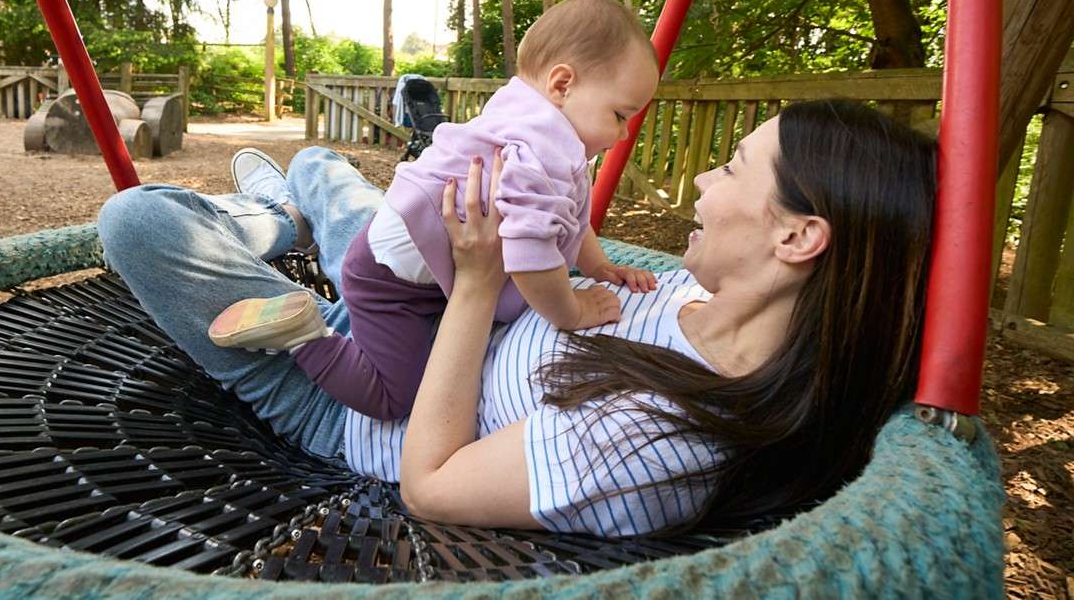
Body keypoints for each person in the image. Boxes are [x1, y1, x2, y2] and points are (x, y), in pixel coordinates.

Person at [97, 98, 936, 536]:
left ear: (797, 236)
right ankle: (284, 209)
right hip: (422, 313)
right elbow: (555, 265)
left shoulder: (664, 436)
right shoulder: (694, 301)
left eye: (731, 166)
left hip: (355, 401)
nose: (706, 187)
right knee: (328, 167)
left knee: (136, 221)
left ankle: (263, 223)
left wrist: (471, 283)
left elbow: (430, 487)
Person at [208, 0, 661, 421]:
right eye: (620, 115)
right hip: (390, 283)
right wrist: (573, 311)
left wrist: (600, 267)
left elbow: (570, 216)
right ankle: (303, 334)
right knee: (394, 397)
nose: (622, 135)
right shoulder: (539, 152)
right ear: (562, 84)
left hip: (417, 251)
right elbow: (531, 255)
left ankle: (291, 208)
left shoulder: (534, 122)